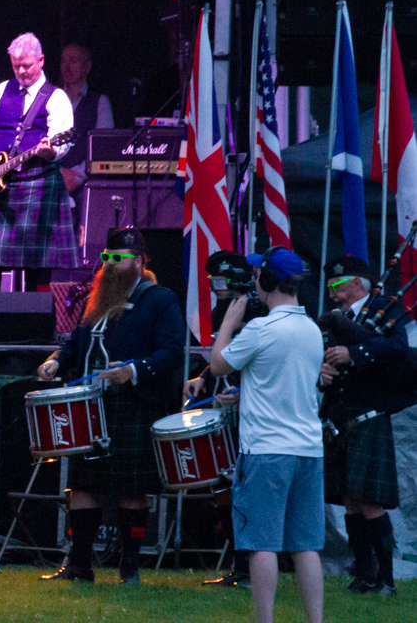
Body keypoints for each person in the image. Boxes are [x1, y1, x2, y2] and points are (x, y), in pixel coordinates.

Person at [36, 228, 184, 583]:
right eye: (106, 258)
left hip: (132, 403)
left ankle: (129, 566)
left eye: (118, 258)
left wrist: (133, 370)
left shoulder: (159, 299)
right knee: (83, 486)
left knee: (131, 490)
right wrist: (56, 360)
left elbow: (171, 351)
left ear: (138, 261)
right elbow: (76, 342)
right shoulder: (98, 299)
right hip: (91, 406)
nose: (110, 265)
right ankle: (79, 565)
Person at [209, 248, 326, 623]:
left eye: (259, 274)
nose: (254, 279)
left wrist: (229, 323)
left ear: (269, 280)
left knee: (262, 544)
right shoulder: (311, 329)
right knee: (306, 546)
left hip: (266, 450)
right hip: (308, 450)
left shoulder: (261, 329)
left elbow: (218, 364)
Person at [317, 254, 409, 595]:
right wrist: (323, 372)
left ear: (357, 283)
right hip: (341, 417)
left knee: (370, 501)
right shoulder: (336, 319)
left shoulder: (385, 309)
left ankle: (386, 579)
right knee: (350, 500)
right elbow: (324, 358)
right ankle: (365, 574)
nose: (333, 295)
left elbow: (398, 348)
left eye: (337, 287)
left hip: (369, 416)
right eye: (329, 288)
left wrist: (353, 355)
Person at [0, 33, 79, 292]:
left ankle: (36, 319)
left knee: (38, 269)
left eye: (27, 65)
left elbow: (62, 142)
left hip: (39, 185)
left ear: (41, 60)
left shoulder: (56, 97)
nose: (21, 71)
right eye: (16, 66)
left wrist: (51, 152)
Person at [184, 250, 260, 590]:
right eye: (212, 281)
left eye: (220, 281)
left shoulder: (258, 310)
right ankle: (238, 564)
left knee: (247, 489)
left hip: (257, 412)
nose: (216, 288)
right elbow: (226, 354)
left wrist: (245, 392)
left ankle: (252, 566)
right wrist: (203, 376)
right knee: (223, 487)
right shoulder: (222, 310)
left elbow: (263, 358)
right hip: (228, 410)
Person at [57, 43, 114, 197]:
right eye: (63, 61)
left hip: (86, 188)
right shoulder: (51, 100)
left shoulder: (100, 102)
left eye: (73, 61)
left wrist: (76, 177)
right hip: (52, 181)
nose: (67, 67)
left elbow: (102, 149)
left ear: (87, 67)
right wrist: (59, 172)